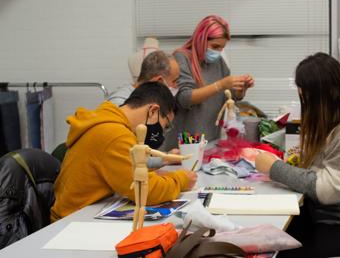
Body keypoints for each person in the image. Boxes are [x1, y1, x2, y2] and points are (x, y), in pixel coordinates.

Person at [255, 53, 340, 258]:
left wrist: (273, 167)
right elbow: (319, 172)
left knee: (282, 252)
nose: (305, 105)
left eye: (305, 98)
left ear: (321, 96)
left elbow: (327, 190)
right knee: (273, 235)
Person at [50, 82, 197, 222]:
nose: (162, 133)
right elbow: (147, 191)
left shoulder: (107, 119)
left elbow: (126, 170)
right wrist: (182, 179)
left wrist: (160, 174)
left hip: (81, 213)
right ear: (153, 111)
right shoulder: (116, 134)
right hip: (72, 222)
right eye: (165, 125)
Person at [162, 15, 254, 150]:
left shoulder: (218, 62)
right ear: (201, 39)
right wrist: (220, 85)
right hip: (186, 141)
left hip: (210, 138)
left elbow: (231, 96)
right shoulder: (182, 58)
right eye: (215, 46)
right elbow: (185, 98)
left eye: (221, 48)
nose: (218, 52)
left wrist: (241, 88)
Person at [108, 50, 179, 106]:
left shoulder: (153, 99)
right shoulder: (119, 104)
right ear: (159, 81)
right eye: (174, 81)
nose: (177, 86)